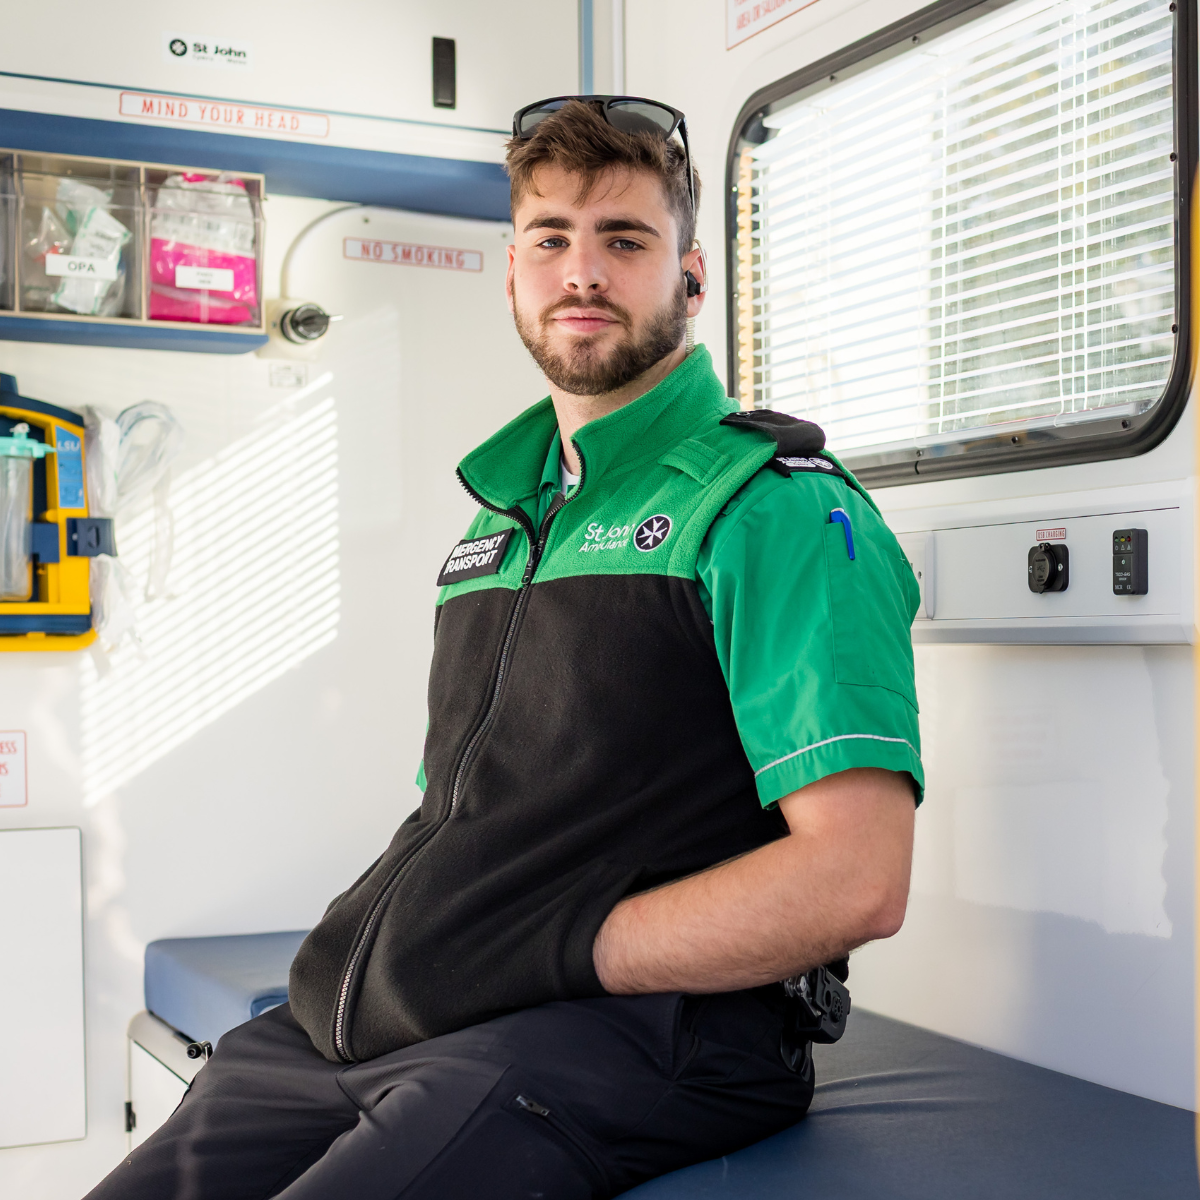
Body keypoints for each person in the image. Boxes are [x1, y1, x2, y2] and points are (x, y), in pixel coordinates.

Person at [86, 96, 922, 1200]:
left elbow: (856, 880)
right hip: (383, 1017)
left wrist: (554, 946)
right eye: (551, 240)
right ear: (513, 272)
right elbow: (462, 811)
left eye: (624, 240)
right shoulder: (498, 522)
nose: (583, 272)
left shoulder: (779, 514)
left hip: (635, 1034)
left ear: (692, 278)